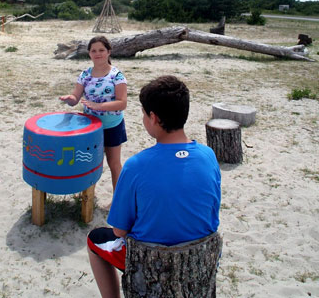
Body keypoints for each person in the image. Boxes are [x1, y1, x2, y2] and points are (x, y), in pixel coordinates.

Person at [86, 75, 221, 298]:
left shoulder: (136, 166)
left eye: (143, 114)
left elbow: (119, 230)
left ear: (153, 118)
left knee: (96, 239)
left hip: (149, 261)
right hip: (199, 256)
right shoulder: (208, 157)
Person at [59, 36, 127, 193]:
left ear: (109, 52)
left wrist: (100, 106)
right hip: (90, 127)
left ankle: (118, 199)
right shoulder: (85, 75)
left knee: (113, 162)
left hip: (112, 125)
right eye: (94, 50)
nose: (98, 54)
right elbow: (75, 97)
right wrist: (70, 99)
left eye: (102, 50)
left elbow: (122, 103)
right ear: (89, 53)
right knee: (90, 162)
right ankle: (87, 198)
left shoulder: (117, 75)